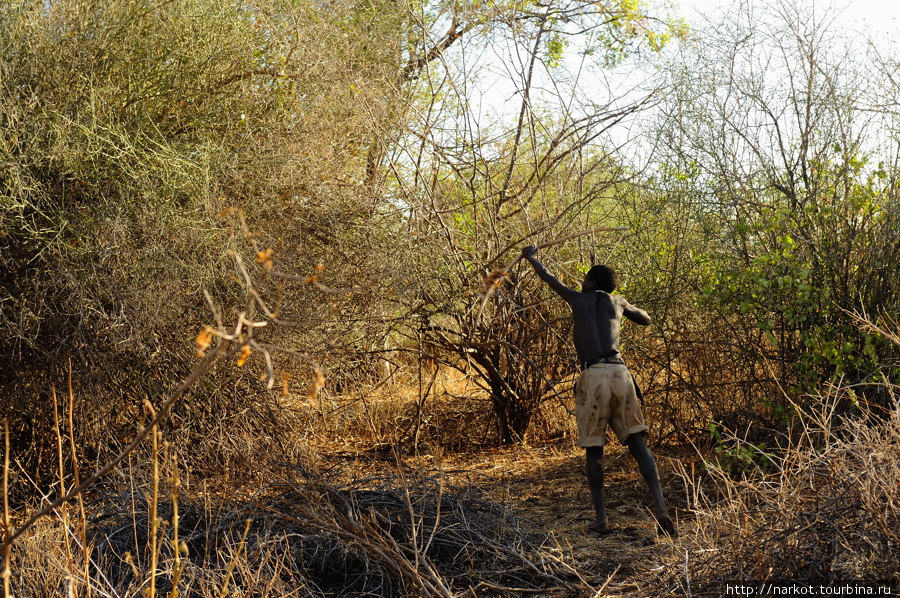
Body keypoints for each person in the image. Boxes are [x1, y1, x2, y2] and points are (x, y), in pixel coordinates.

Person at [521, 245, 676, 538]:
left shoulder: (577, 299)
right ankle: (662, 509)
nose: (581, 282)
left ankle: (601, 520)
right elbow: (646, 319)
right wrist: (622, 304)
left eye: (585, 279)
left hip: (593, 376)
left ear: (591, 282)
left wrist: (531, 257)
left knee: (594, 450)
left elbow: (548, 276)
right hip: (620, 373)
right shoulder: (617, 302)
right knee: (637, 443)